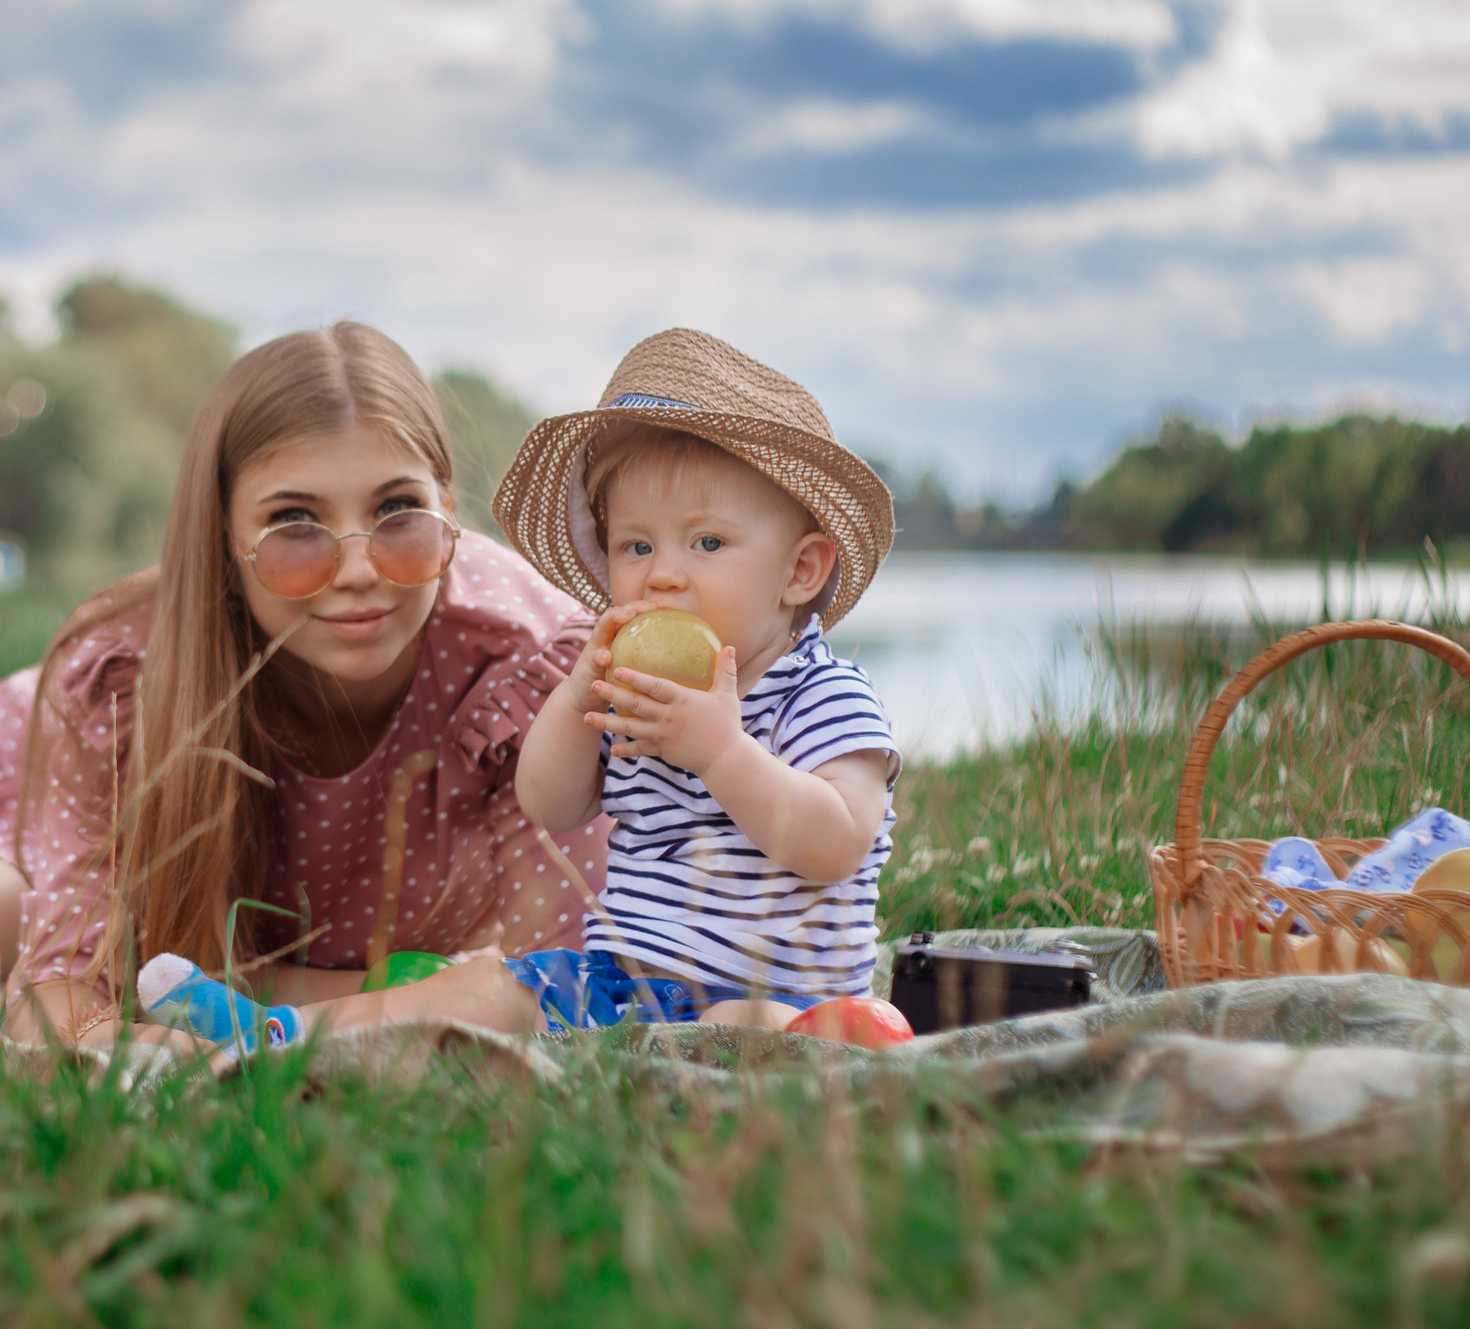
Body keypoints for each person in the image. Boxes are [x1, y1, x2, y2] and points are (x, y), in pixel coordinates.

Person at [0, 321, 611, 1047]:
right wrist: (107, 1037)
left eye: (397, 511)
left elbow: (560, 968)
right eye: (295, 520)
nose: (360, 567)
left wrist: (265, 1007)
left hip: (234, 943)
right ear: (221, 537)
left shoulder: (526, 667)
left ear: (449, 508)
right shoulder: (124, 680)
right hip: (55, 751)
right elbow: (59, 999)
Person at [139, 329, 900, 1045]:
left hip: (778, 994)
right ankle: (282, 1032)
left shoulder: (823, 698)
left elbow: (835, 843)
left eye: (707, 542)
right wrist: (574, 703)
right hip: (616, 984)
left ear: (801, 570)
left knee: (745, 1029)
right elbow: (552, 802)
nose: (663, 572)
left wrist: (723, 750)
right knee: (483, 988)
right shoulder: (638, 690)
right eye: (636, 544)